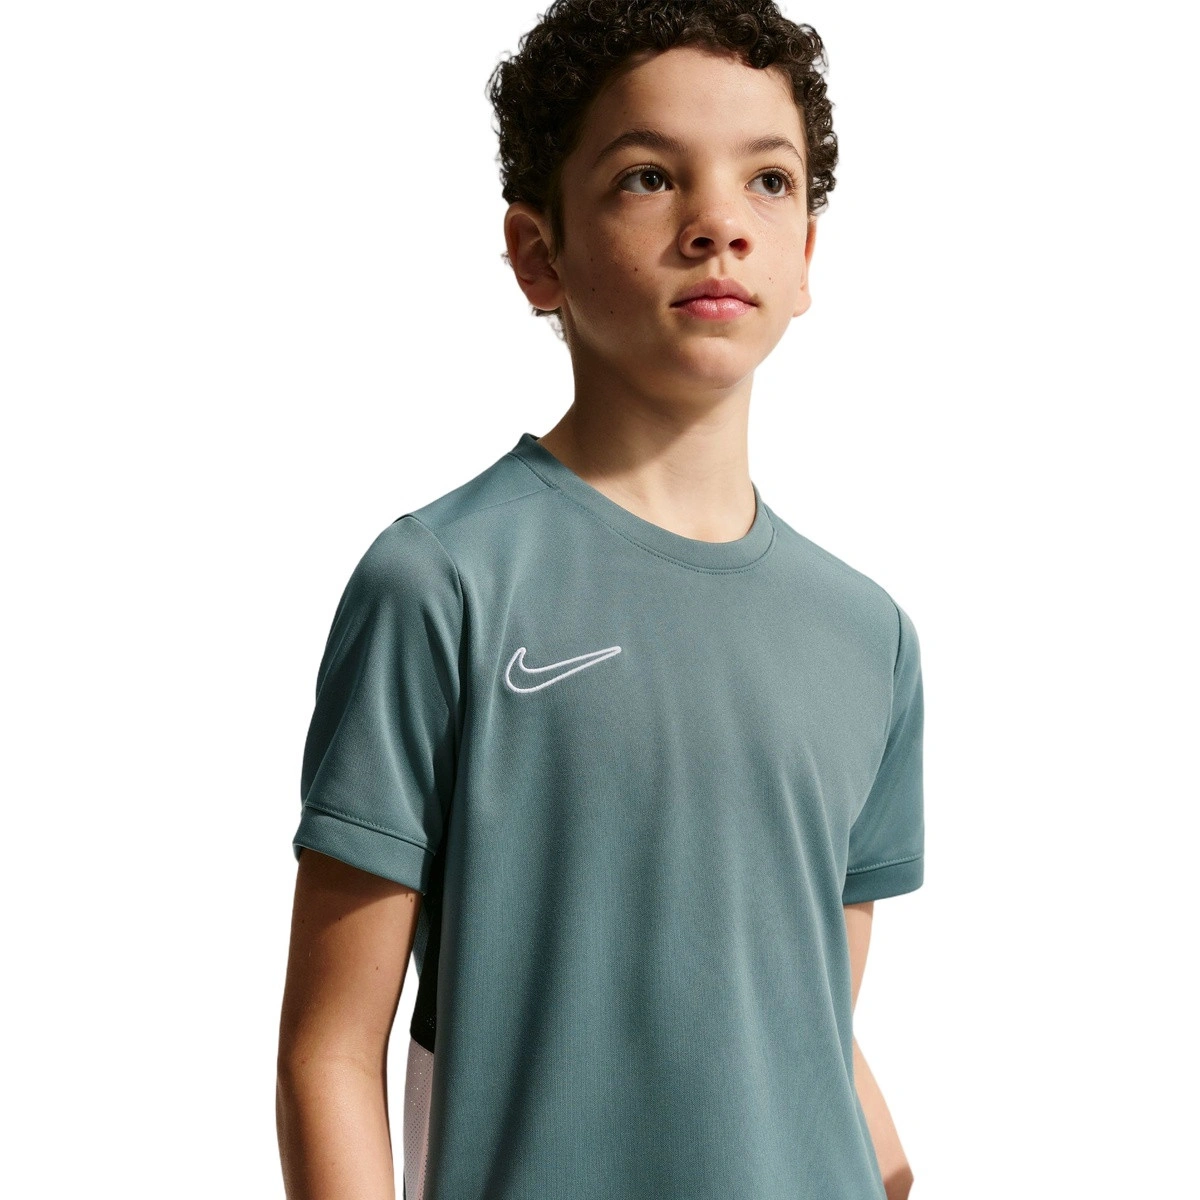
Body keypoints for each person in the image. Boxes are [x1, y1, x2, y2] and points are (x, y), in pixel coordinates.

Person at [276, 2, 925, 1197]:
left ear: (806, 260)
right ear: (539, 254)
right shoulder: (444, 582)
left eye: (769, 181)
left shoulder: (866, 634)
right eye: (648, 177)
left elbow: (807, 1019)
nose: (720, 224)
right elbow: (329, 1052)